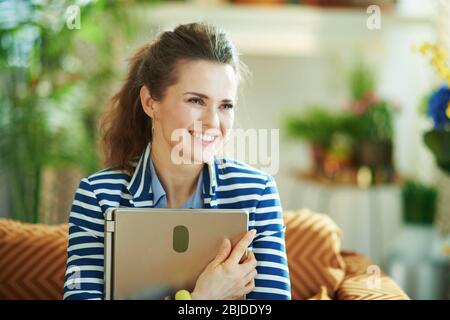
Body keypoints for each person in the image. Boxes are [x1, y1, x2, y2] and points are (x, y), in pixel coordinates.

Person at [63, 22, 291, 300]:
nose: (213, 122)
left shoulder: (256, 193)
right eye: (196, 101)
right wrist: (202, 299)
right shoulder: (98, 197)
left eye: (225, 106)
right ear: (150, 102)